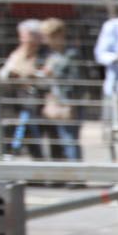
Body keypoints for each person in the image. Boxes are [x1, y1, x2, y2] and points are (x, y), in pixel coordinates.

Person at [0, 18, 48, 159]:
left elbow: (45, 76)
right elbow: (4, 73)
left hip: (36, 101)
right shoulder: (17, 53)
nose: (23, 39)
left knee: (34, 134)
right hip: (14, 101)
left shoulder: (44, 54)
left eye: (27, 35)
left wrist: (29, 76)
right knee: (16, 132)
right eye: (22, 35)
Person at [37, 18, 80, 161]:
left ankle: (76, 176)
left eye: (47, 37)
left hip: (69, 102)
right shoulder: (50, 55)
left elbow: (76, 78)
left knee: (70, 139)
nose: (45, 41)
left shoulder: (71, 54)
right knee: (61, 139)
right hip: (55, 101)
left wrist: (54, 73)